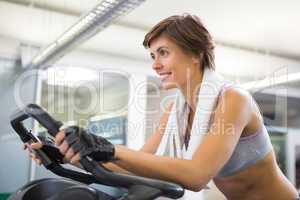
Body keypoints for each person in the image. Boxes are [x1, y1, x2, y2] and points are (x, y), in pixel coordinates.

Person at [27, 14, 298, 200]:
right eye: (152, 56)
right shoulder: (175, 111)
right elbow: (134, 166)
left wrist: (105, 148)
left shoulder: (233, 100)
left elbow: (196, 175)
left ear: (196, 54)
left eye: (164, 53)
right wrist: (66, 154)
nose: (155, 65)